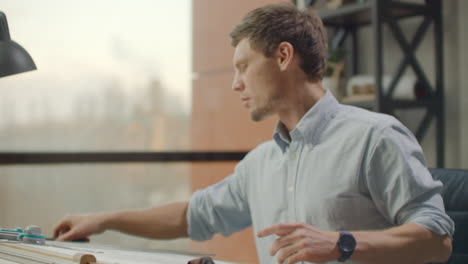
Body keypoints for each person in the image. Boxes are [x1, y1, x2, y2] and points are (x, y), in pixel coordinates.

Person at [53, 3, 454, 264]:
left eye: (243, 67)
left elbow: (438, 240)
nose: (235, 84)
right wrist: (103, 219)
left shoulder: (375, 137)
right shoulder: (261, 164)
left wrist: (341, 243)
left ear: (283, 56)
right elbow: (191, 215)